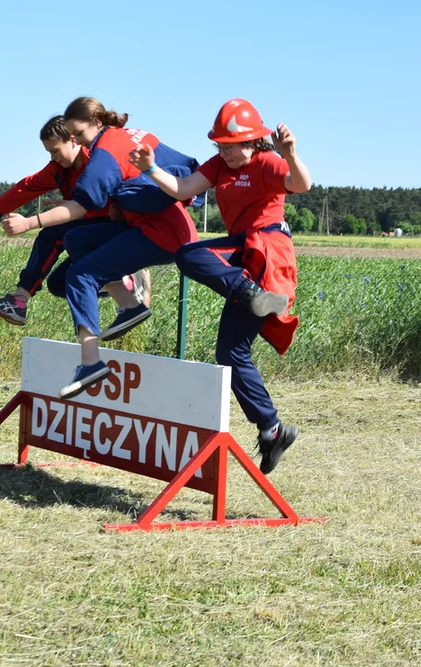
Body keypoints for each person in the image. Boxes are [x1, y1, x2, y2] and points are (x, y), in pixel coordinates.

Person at [128, 99, 312, 474]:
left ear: (252, 141)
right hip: (244, 259)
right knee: (229, 352)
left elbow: (302, 184)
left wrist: (290, 154)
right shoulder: (219, 166)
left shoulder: (267, 161)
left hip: (267, 251)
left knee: (188, 255)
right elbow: (182, 189)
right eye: (220, 145)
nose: (224, 151)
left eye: (231, 144)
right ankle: (272, 429)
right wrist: (150, 170)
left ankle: (252, 294)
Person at [2, 97, 200, 400]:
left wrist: (30, 222)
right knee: (75, 241)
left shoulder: (104, 154)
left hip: (163, 232)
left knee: (80, 276)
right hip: (158, 225)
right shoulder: (131, 134)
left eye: (78, 134)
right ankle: (130, 303)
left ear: (96, 122)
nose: (78, 141)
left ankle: (91, 363)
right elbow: (185, 168)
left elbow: (80, 207)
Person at [0, 115, 150, 326]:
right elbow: (27, 187)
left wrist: (122, 209)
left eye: (55, 151)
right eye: (49, 152)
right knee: (59, 284)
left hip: (125, 231)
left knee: (54, 233)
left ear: (73, 140)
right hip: (94, 230)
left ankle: (20, 299)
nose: (53, 157)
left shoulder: (99, 160)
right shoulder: (59, 170)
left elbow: (133, 183)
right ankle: (127, 283)